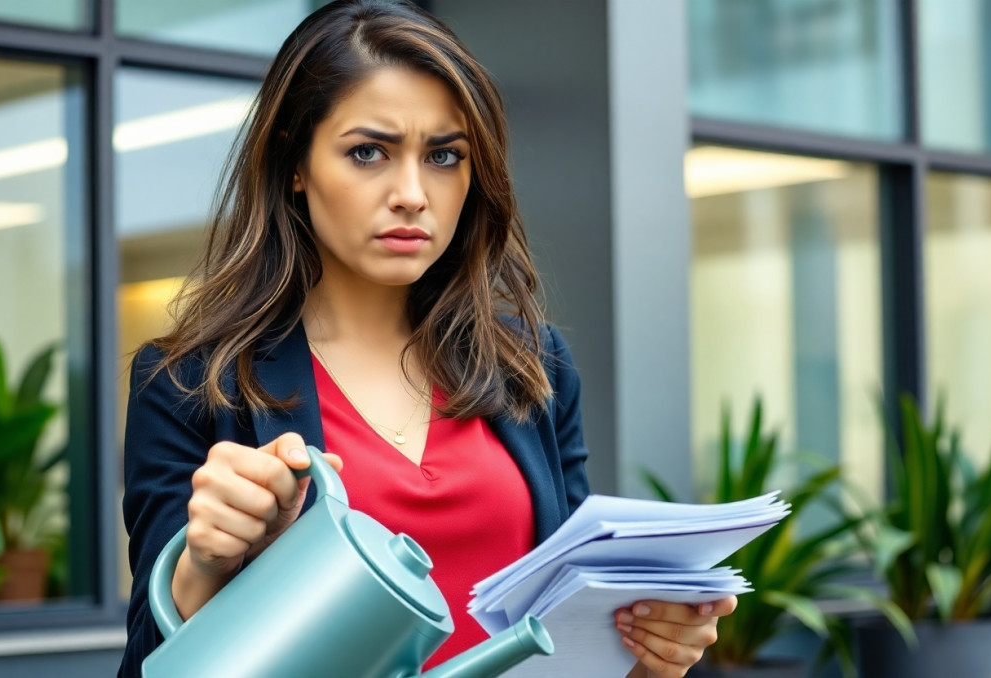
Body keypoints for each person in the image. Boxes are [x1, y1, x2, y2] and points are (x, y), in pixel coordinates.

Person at [120, 1, 736, 676]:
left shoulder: (534, 365)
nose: (413, 193)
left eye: (444, 155)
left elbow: (567, 626)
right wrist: (204, 565)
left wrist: (648, 656)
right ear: (295, 164)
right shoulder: (188, 384)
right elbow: (157, 661)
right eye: (368, 153)